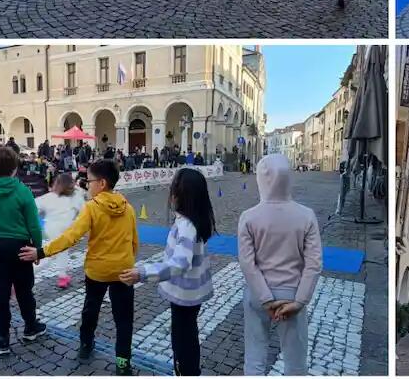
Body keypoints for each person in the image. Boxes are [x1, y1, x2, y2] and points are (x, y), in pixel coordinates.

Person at [20, 159, 137, 375]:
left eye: (89, 181)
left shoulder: (92, 208)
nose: (86, 185)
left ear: (101, 183)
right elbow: (134, 242)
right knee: (124, 319)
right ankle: (123, 361)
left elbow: (71, 236)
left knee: (90, 310)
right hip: (124, 270)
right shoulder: (128, 207)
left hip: (98, 271)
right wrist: (127, 261)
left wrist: (41, 251)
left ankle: (85, 345)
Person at [119, 168, 216, 376]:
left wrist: (143, 273)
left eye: (174, 189)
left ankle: (186, 371)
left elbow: (180, 263)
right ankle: (187, 369)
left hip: (185, 294)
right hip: (190, 292)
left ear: (182, 196)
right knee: (186, 335)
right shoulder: (191, 220)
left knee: (183, 340)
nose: (170, 194)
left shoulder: (187, 226)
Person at [237, 154, 322, 376]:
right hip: (293, 295)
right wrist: (300, 300)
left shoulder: (248, 217)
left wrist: (266, 298)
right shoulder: (307, 216)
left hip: (258, 295)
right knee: (295, 362)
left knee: (254, 357)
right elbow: (314, 263)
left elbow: (248, 263)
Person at [0, 146, 48, 355]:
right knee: (25, 289)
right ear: (15, 168)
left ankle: (3, 337)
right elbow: (34, 223)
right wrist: (37, 248)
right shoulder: (22, 190)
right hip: (20, 245)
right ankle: (30, 326)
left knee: (0, 292)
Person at [34, 172, 85, 289]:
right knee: (51, 254)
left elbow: (33, 206)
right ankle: (27, 274)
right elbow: (84, 212)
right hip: (66, 229)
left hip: (51, 228)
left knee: (61, 251)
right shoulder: (76, 196)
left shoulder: (49, 197)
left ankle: (63, 276)